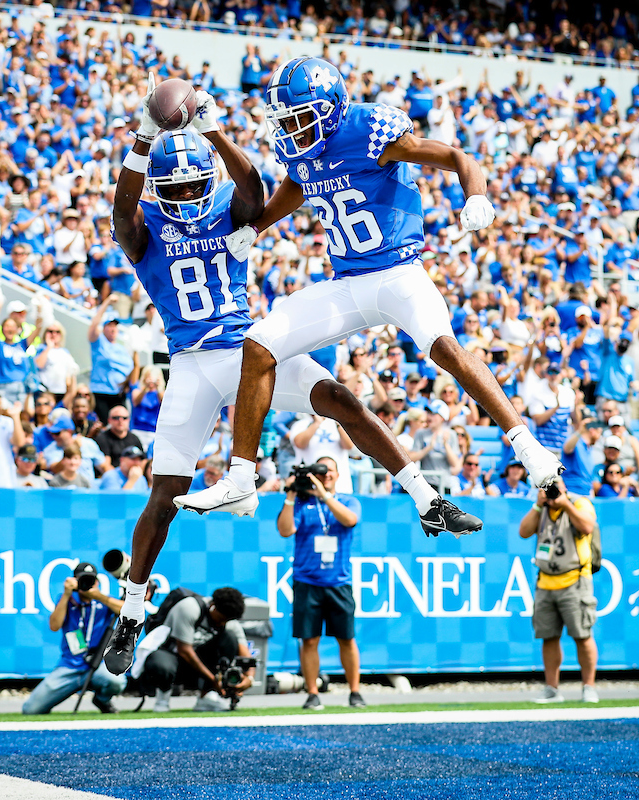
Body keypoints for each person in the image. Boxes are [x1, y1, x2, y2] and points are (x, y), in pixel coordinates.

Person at [176, 56, 560, 533]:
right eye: (288, 121)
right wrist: (258, 225)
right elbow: (299, 184)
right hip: (347, 282)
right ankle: (241, 479)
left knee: (445, 348)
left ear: (333, 107)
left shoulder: (369, 128)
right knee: (258, 346)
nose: (294, 131)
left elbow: (459, 158)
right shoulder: (300, 147)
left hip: (399, 273)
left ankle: (528, 445)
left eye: (301, 118)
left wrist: (475, 193)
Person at [105, 85, 399, 676]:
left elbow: (254, 191)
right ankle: (131, 614)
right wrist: (141, 141)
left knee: (341, 398)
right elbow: (122, 211)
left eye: (195, 184)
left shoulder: (225, 206)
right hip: (190, 361)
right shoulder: (144, 231)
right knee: (162, 495)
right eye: (178, 188)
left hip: (247, 354)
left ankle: (422, 491)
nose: (189, 194)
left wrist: (213, 130)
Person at [276, 456, 364, 710]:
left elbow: (349, 520)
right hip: (307, 580)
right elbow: (285, 530)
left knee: (346, 638)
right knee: (309, 639)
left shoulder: (348, 500)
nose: (324, 475)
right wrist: (291, 495)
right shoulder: (302, 502)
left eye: (328, 471)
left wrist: (324, 494)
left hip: (338, 581)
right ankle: (313, 692)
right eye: (318, 471)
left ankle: (355, 691)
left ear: (338, 474)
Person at [519, 476, 600, 704]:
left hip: (575, 579)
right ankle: (552, 689)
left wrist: (564, 504)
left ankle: (588, 687)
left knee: (583, 635)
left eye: (555, 486)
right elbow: (524, 532)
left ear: (564, 485)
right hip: (546, 581)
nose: (552, 491)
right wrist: (537, 505)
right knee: (548, 637)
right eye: (547, 487)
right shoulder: (542, 507)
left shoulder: (579, 502)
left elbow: (587, 526)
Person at [21, 562, 126, 715]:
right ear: (74, 581)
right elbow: (54, 626)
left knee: (117, 681)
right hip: (69, 666)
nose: (87, 584)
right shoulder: (67, 600)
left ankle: (102, 700)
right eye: (82, 579)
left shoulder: (103, 600)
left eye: (91, 580)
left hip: (96, 665)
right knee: (30, 709)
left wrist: (98, 595)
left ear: (97, 582)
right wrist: (66, 594)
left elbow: (126, 611)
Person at [133, 586, 255, 713]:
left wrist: (248, 679)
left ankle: (206, 697)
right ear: (213, 605)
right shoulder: (190, 608)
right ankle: (162, 698)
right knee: (160, 662)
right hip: (173, 656)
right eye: (220, 619)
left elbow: (246, 656)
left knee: (230, 638)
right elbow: (184, 651)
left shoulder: (229, 621)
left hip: (200, 664)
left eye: (226, 620)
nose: (222, 623)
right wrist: (214, 680)